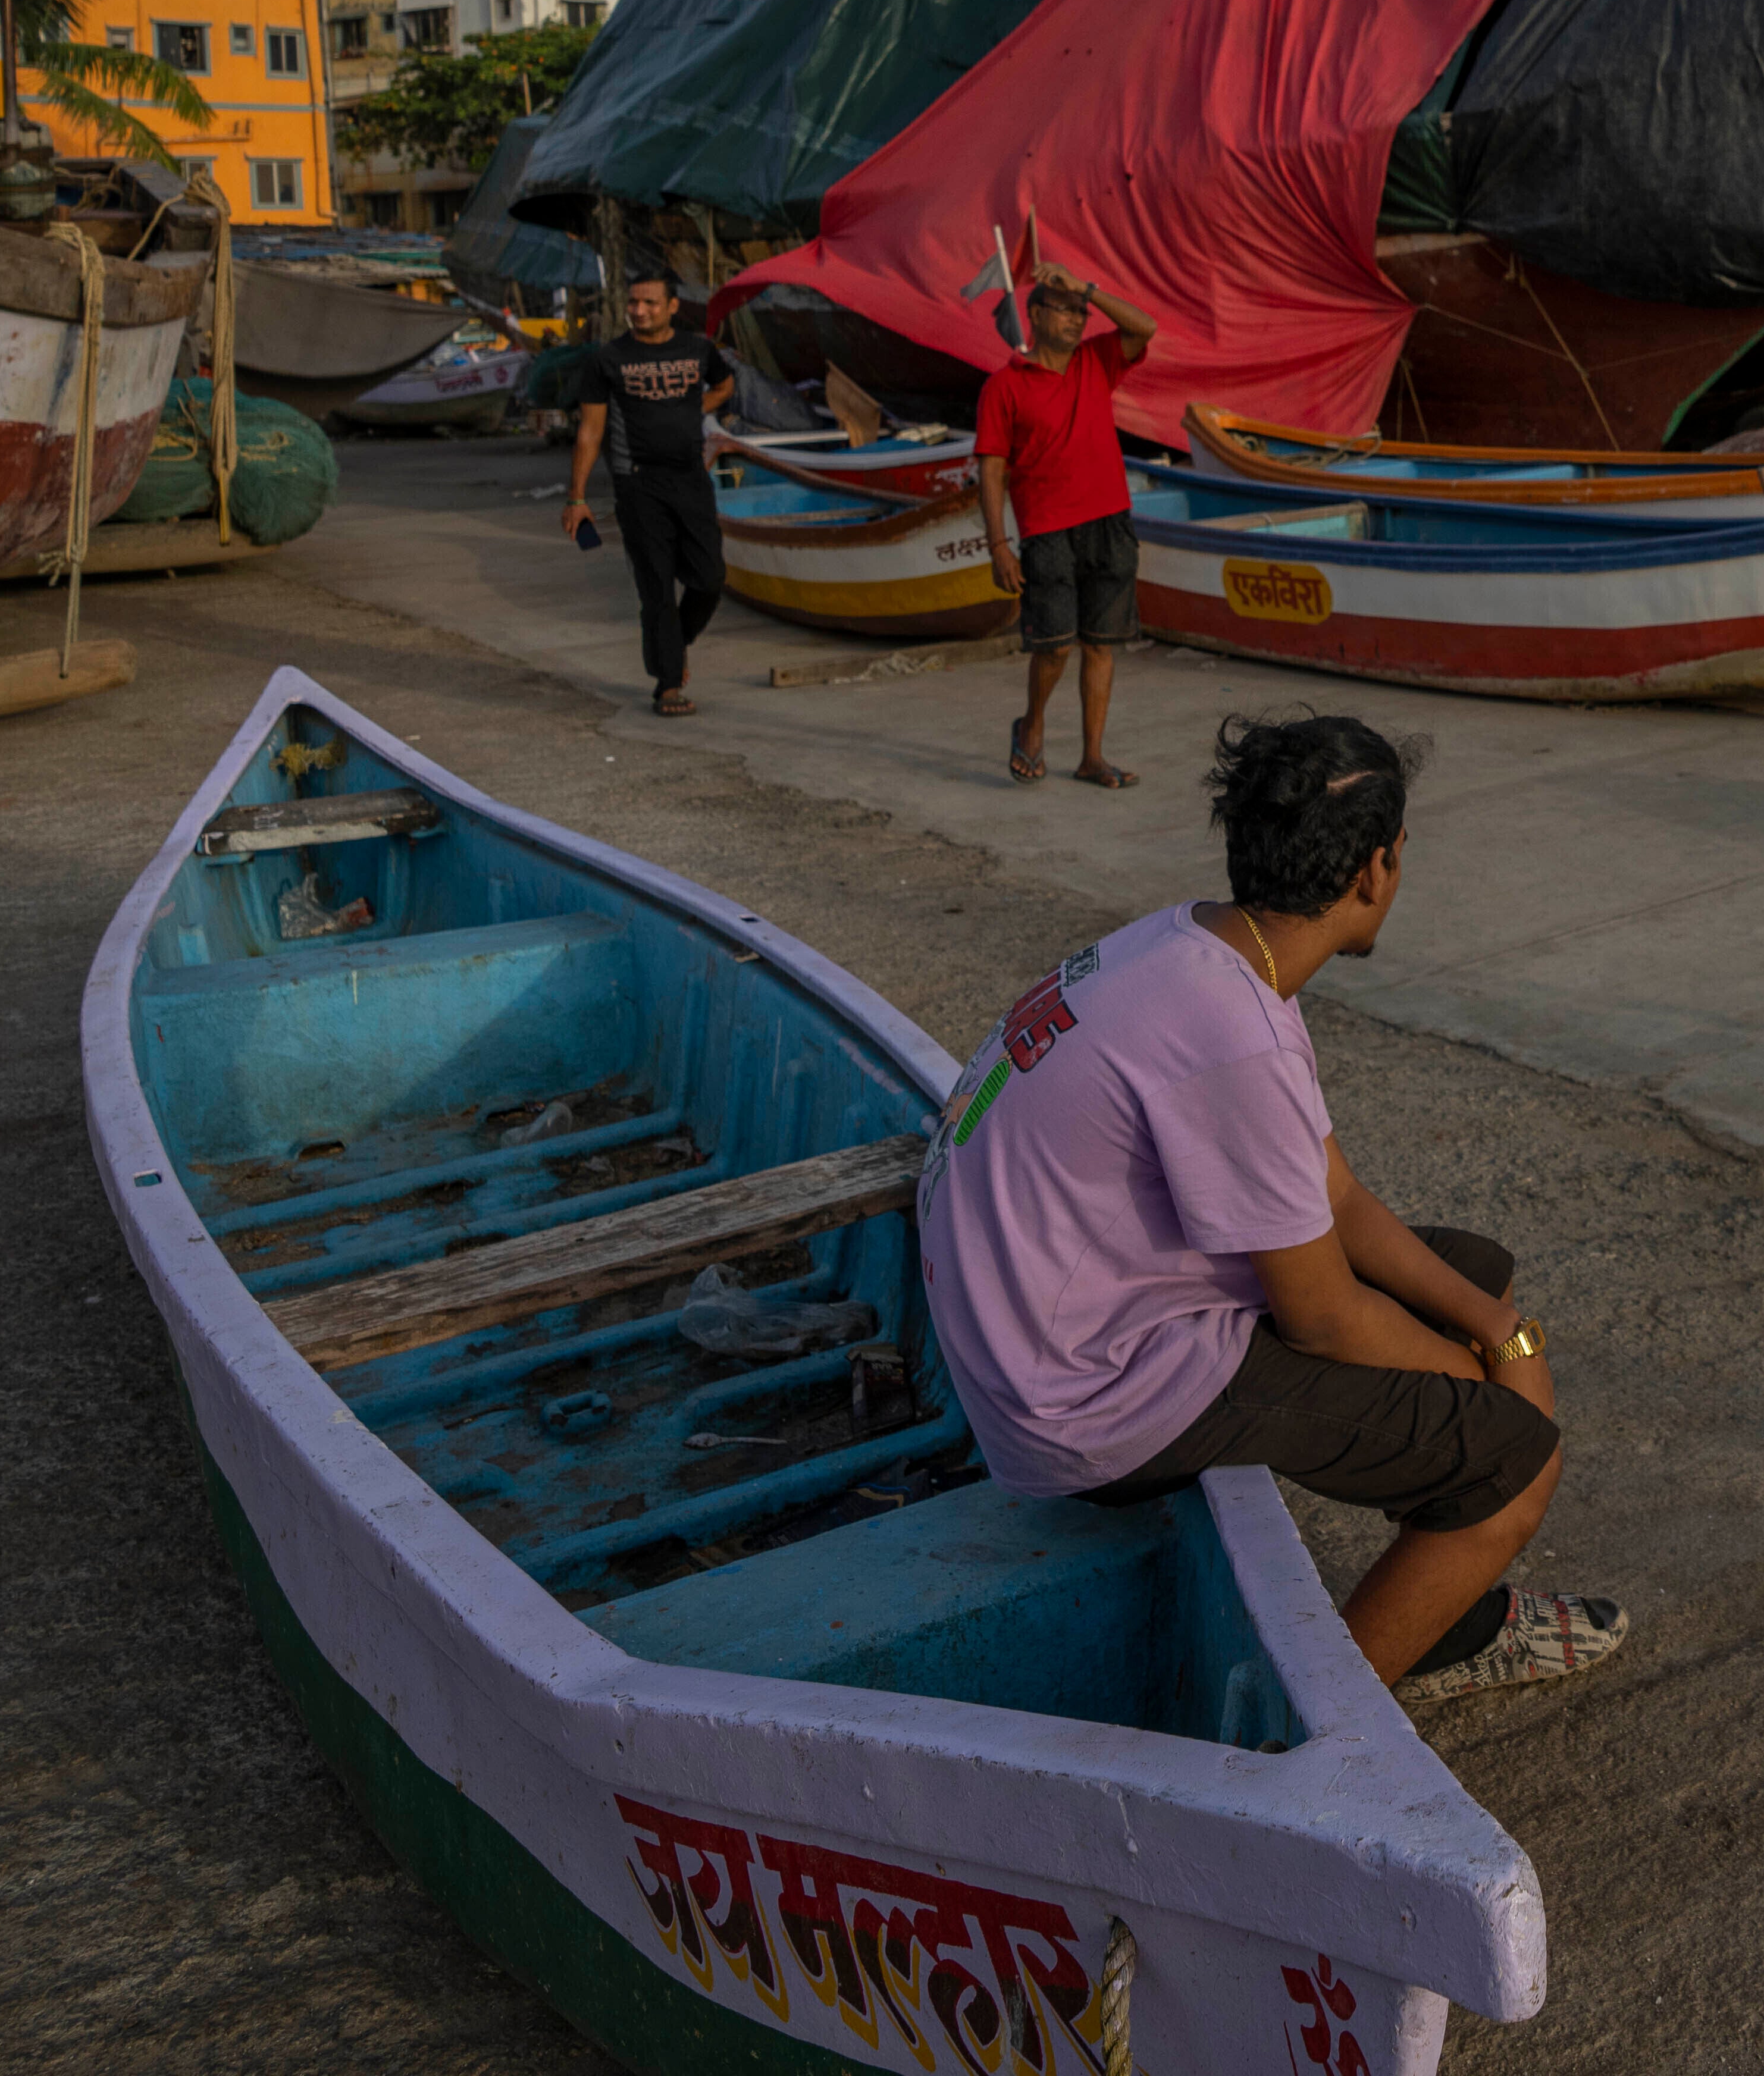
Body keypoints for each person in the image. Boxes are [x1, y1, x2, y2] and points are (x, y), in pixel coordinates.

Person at [915, 709, 1628, 1701]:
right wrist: (1490, 1375)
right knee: (1514, 1462)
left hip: (1045, 1329)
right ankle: (1313, 1735)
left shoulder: (1195, 948)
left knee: (1472, 1271)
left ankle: (1445, 1614)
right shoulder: (1231, 1030)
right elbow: (1323, 1314)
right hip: (1081, 1396)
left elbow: (1328, 1188)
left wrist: (1496, 1327)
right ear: (1376, 870)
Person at [989, 255, 1157, 787]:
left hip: (1108, 519)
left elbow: (1145, 327)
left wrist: (1087, 287)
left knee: (1101, 643)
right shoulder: (1004, 386)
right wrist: (998, 544)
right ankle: (1032, 724)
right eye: (1062, 310)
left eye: (1080, 313)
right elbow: (991, 471)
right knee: (1054, 646)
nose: (1076, 320)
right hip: (1046, 528)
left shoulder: (1097, 360)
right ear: (1035, 316)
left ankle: (1092, 758)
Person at [559, 269, 738, 717]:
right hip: (637, 484)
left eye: (650, 303)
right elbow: (590, 431)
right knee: (656, 585)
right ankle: (668, 684)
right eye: (633, 303)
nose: (639, 311)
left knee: (710, 577)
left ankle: (675, 645)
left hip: (690, 479)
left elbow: (725, 383)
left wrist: (693, 408)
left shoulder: (698, 350)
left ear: (673, 306)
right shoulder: (609, 359)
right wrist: (577, 498)